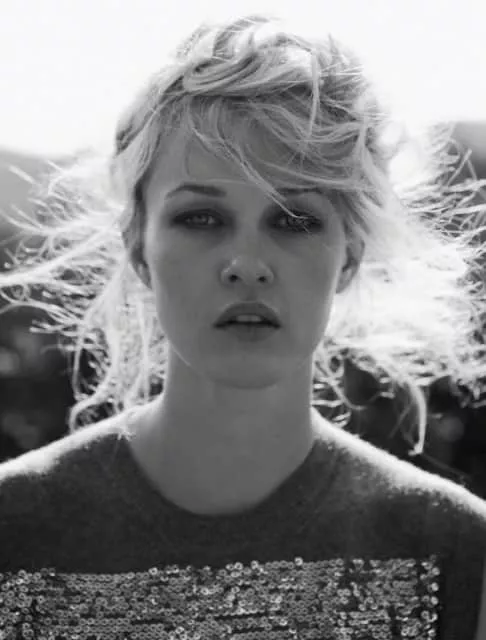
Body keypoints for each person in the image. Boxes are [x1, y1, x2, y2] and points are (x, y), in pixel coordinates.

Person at [0, 12, 485, 639]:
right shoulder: (15, 529)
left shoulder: (454, 553)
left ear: (349, 257)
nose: (247, 264)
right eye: (201, 218)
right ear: (139, 248)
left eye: (294, 219)